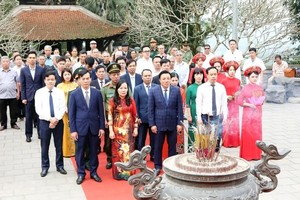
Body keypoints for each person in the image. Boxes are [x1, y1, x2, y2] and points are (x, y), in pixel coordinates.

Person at [68, 68, 105, 184]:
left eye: (88, 78)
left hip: (94, 127)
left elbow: (101, 111)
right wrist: (73, 130)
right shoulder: (74, 94)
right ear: (79, 80)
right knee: (80, 152)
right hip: (80, 128)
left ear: (90, 79)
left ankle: (94, 172)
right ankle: (81, 173)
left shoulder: (97, 93)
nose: (85, 81)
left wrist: (101, 127)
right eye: (83, 79)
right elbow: (71, 114)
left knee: (94, 151)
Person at [148, 70, 183, 176]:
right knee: (157, 146)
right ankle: (157, 167)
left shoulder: (176, 90)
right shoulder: (153, 91)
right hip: (158, 124)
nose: (166, 80)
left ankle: (171, 166)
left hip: (172, 123)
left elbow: (179, 109)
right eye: (164, 78)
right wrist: (152, 124)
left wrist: (179, 123)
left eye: (168, 78)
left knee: (172, 146)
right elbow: (151, 109)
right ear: (160, 80)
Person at [35, 70, 66, 177]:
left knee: (59, 145)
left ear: (55, 80)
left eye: (52, 79)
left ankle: (60, 166)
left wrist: (56, 119)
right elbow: (38, 109)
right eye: (48, 79)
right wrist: (50, 119)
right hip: (44, 122)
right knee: (45, 145)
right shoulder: (39, 92)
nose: (50, 82)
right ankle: (44, 167)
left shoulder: (59, 92)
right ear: (44, 80)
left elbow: (63, 107)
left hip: (58, 122)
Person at [108, 80, 138, 180]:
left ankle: (128, 173)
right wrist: (111, 131)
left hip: (129, 131)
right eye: (121, 88)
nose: (123, 90)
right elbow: (110, 117)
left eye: (125, 88)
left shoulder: (131, 100)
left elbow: (135, 115)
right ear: (117, 89)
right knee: (118, 152)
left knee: (128, 151)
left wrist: (136, 128)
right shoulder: (112, 101)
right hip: (117, 131)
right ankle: (119, 173)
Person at [196, 66, 228, 152]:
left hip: (218, 116)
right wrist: (199, 117)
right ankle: (206, 157)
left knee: (217, 138)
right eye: (211, 74)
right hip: (205, 116)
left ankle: (215, 158)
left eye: (215, 74)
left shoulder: (221, 87)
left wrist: (225, 116)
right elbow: (199, 103)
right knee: (206, 138)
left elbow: (224, 103)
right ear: (207, 75)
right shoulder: (201, 88)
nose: (213, 76)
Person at [237, 66, 264, 161]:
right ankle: (247, 155)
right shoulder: (245, 88)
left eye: (256, 77)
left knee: (256, 133)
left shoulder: (260, 88)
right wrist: (249, 104)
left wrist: (260, 102)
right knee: (248, 133)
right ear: (248, 78)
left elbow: (262, 99)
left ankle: (257, 154)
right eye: (252, 77)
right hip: (248, 113)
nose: (254, 79)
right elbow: (239, 101)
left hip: (257, 113)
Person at [20, 51, 46, 142]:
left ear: (36, 59)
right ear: (27, 59)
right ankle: (28, 135)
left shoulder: (41, 70)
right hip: (28, 96)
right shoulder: (23, 70)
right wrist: (23, 97)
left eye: (33, 57)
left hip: (39, 96)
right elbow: (22, 85)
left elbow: (43, 84)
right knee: (29, 117)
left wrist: (44, 96)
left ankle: (40, 133)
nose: (32, 59)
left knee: (40, 116)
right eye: (30, 57)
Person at [101, 63, 121, 170]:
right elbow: (102, 104)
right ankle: (109, 159)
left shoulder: (124, 86)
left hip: (122, 119)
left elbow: (131, 101)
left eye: (117, 74)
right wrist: (104, 119)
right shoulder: (105, 89)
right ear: (109, 76)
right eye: (113, 75)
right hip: (110, 119)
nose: (116, 77)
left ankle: (121, 158)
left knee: (122, 140)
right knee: (109, 142)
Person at [134, 69, 157, 161]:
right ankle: (141, 157)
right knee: (141, 139)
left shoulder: (156, 87)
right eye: (146, 76)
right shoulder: (137, 88)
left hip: (154, 118)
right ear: (142, 77)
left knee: (154, 139)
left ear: (152, 76)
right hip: (142, 118)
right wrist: (137, 117)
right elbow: (136, 104)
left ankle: (153, 155)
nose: (148, 77)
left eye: (149, 76)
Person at [57, 69, 77, 157]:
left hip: (74, 110)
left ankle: (75, 150)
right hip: (64, 111)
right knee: (66, 130)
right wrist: (64, 107)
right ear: (62, 76)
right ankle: (66, 151)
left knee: (74, 129)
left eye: (69, 74)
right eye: (65, 74)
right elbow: (58, 99)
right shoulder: (59, 86)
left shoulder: (75, 85)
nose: (67, 76)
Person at [221, 61, 241, 148]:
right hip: (227, 104)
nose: (232, 71)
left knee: (235, 122)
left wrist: (238, 94)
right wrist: (226, 96)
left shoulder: (238, 81)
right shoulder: (223, 81)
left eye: (234, 70)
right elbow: (221, 94)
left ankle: (235, 141)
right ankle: (227, 141)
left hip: (235, 104)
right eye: (230, 70)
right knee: (227, 121)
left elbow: (240, 91)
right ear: (227, 71)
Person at [186, 68, 205, 150]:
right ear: (193, 76)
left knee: (204, 130)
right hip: (194, 111)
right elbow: (187, 104)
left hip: (204, 110)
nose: (199, 76)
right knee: (193, 130)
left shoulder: (206, 86)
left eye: (201, 74)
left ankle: (204, 151)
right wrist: (189, 115)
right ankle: (193, 150)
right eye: (197, 74)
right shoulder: (190, 88)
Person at [0, 56, 20, 131]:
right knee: (2, 111)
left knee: (13, 110)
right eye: (3, 61)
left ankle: (13, 123)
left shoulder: (14, 71)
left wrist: (18, 92)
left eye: (7, 61)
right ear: (1, 63)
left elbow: (17, 82)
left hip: (12, 94)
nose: (5, 63)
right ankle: (3, 124)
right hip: (1, 95)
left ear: (9, 62)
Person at [170, 73, 185, 154]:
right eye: (173, 80)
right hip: (169, 115)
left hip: (178, 114)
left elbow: (182, 105)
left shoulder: (181, 91)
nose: (174, 82)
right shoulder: (167, 90)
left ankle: (179, 152)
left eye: (176, 80)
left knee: (179, 135)